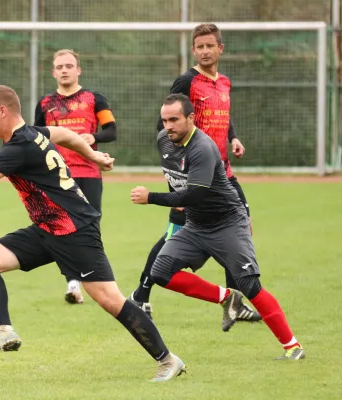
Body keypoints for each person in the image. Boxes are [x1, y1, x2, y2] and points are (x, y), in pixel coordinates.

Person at [0, 85, 186, 381]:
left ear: (3, 111)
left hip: (75, 230)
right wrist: (93, 155)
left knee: (110, 300)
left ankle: (168, 359)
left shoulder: (18, 148)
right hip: (48, 228)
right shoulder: (35, 133)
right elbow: (63, 134)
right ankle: (3, 331)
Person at [130, 94, 304, 360]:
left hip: (227, 223)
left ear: (191, 118)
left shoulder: (203, 147)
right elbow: (176, 175)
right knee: (161, 271)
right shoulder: (164, 140)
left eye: (174, 119)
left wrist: (152, 197)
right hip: (197, 225)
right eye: (164, 120)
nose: (168, 126)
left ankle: (293, 347)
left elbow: (195, 194)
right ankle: (226, 297)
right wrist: (175, 197)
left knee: (249, 284)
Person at [130, 23, 261, 325]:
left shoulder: (224, 83)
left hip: (223, 173)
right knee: (173, 235)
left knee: (241, 229)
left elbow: (223, 116)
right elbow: (164, 127)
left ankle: (234, 302)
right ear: (193, 50)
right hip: (194, 176)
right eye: (199, 46)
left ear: (220, 49)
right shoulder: (187, 81)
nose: (204, 51)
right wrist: (176, 182)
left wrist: (234, 138)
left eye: (209, 46)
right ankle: (140, 295)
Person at [34, 49, 118, 305]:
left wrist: (95, 137)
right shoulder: (45, 104)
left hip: (89, 173)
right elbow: (36, 137)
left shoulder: (95, 99)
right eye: (59, 67)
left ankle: (98, 280)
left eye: (69, 66)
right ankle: (72, 283)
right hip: (57, 176)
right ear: (53, 72)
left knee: (90, 227)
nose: (64, 70)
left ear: (78, 70)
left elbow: (112, 131)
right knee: (61, 226)